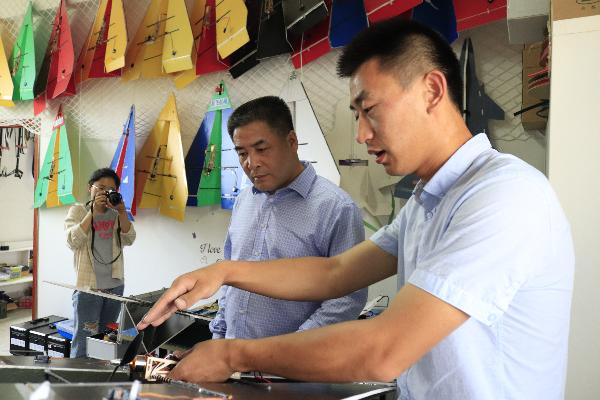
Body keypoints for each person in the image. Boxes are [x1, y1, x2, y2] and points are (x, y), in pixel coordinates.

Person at [139, 18, 574, 400]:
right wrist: (224, 272)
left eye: (370, 110)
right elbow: (334, 273)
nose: (362, 134)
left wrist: (235, 356)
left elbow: (384, 349)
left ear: (432, 90)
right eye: (356, 115)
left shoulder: (502, 195)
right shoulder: (427, 202)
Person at [209, 96, 367, 339]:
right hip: (231, 353)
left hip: (294, 359)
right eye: (242, 153)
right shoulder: (244, 200)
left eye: (261, 149)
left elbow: (346, 300)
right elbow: (230, 279)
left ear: (292, 141)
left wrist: (287, 350)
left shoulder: (336, 208)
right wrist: (220, 336)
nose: (252, 163)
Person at [65, 168, 136, 357]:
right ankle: (78, 373)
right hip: (89, 288)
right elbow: (72, 241)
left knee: (106, 339)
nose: (105, 192)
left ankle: (100, 372)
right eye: (101, 187)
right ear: (90, 188)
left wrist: (122, 211)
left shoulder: (116, 214)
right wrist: (93, 212)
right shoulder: (78, 210)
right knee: (83, 341)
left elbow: (129, 239)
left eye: (110, 189)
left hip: (115, 287)